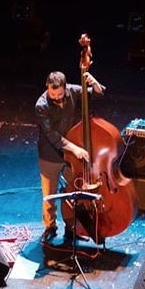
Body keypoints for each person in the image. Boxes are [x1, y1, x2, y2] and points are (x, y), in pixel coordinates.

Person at [35, 69, 105, 241]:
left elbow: (97, 94)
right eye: (53, 93)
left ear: (65, 88)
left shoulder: (72, 91)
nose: (57, 97)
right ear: (47, 88)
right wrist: (74, 148)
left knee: (73, 192)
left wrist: (94, 82)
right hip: (50, 154)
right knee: (49, 195)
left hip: (71, 156)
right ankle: (50, 227)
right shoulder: (41, 105)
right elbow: (52, 135)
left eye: (60, 94)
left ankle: (71, 227)